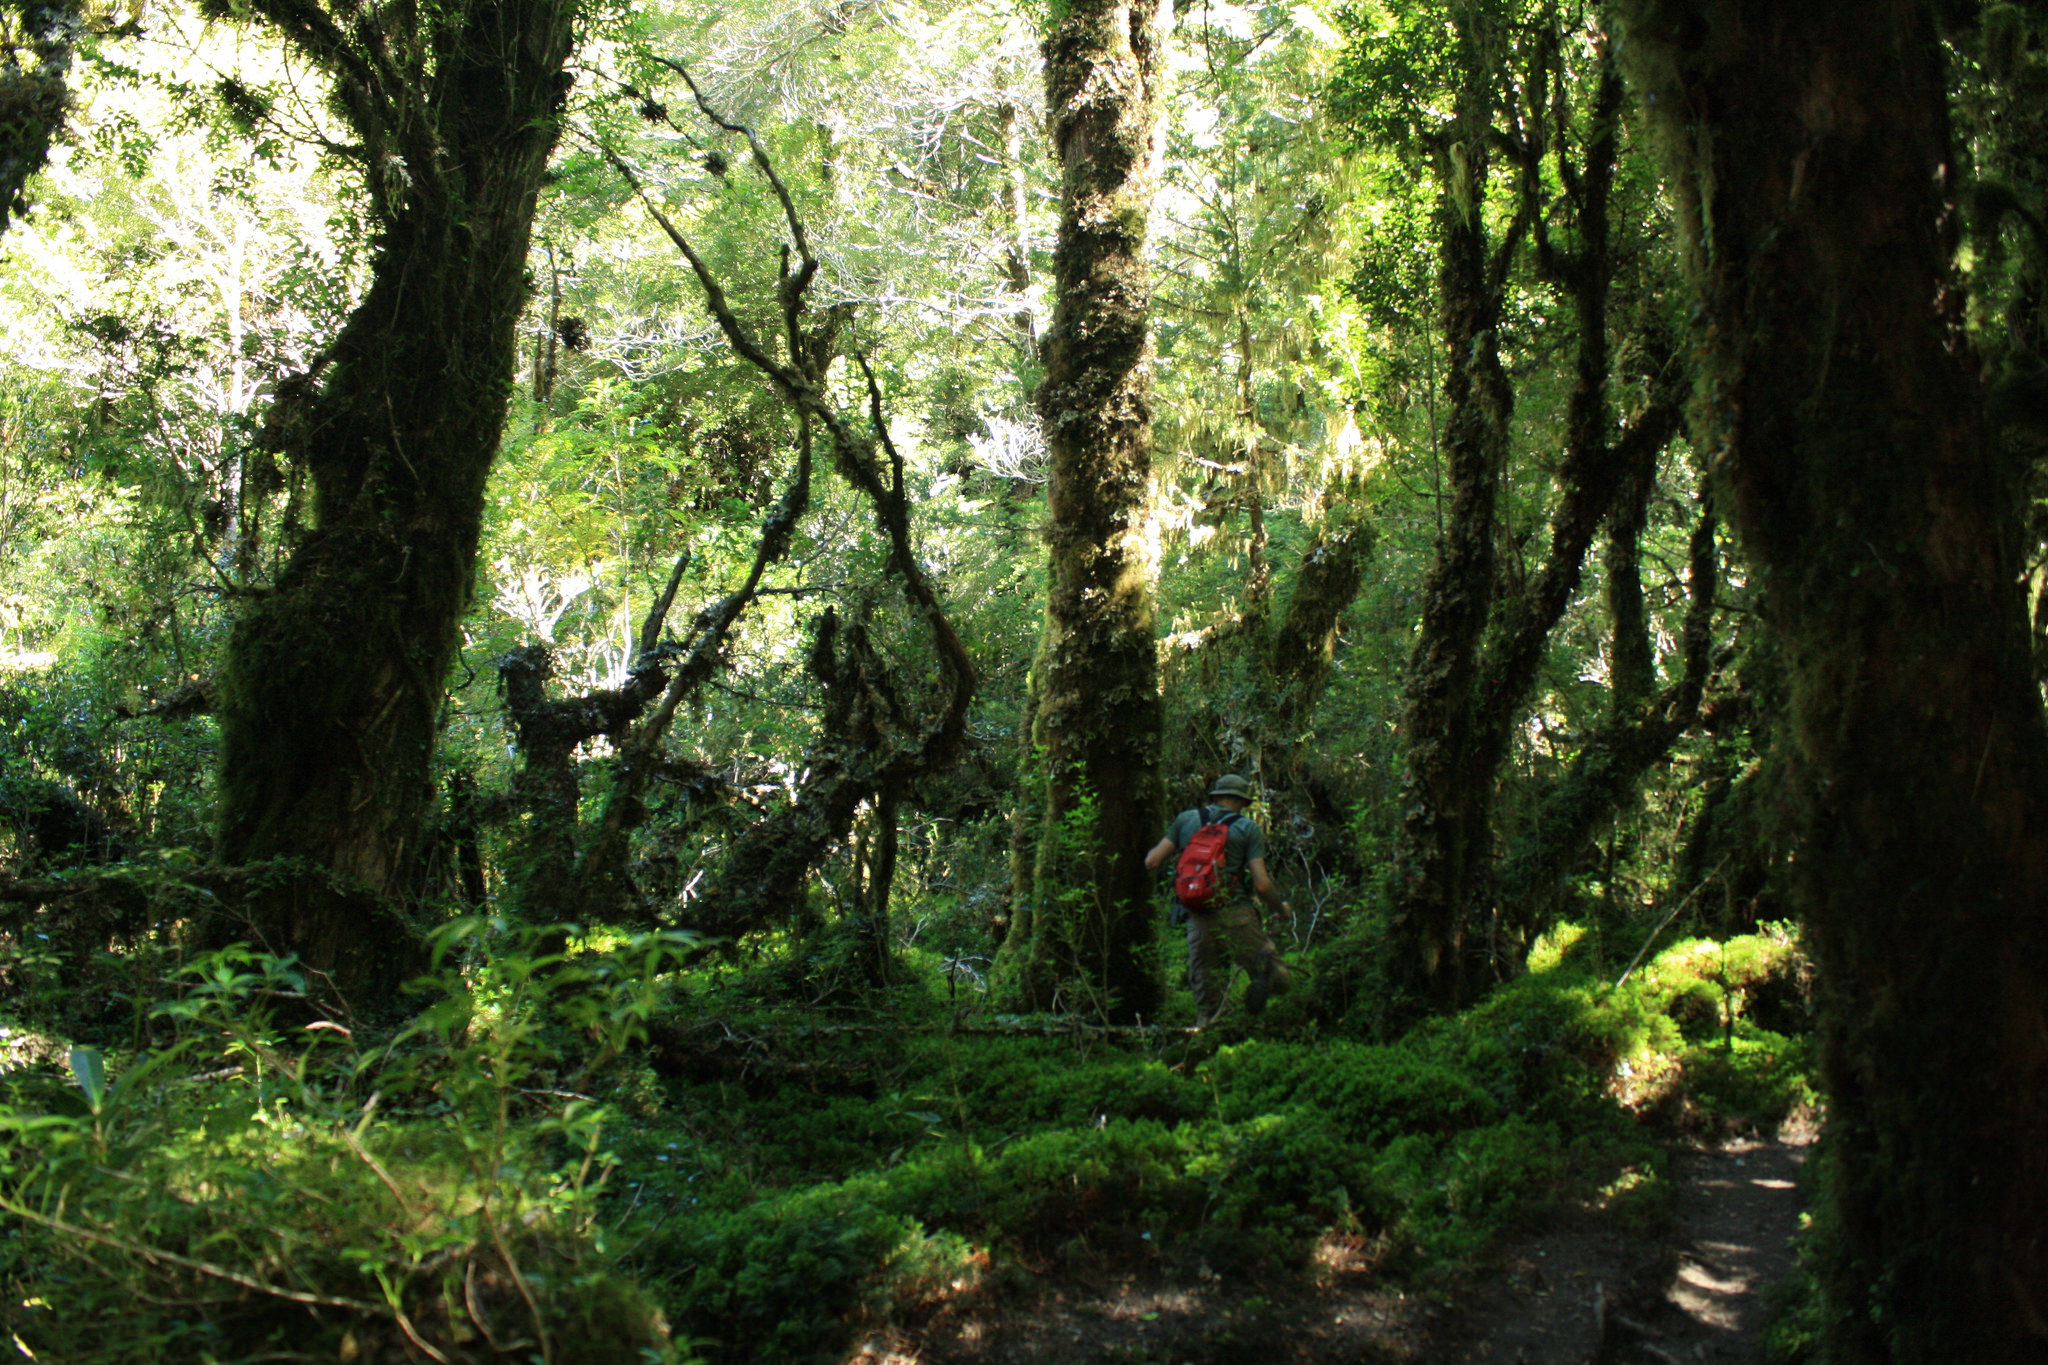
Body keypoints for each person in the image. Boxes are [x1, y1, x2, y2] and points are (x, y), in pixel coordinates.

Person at [1144, 774, 1293, 1027]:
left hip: (1198, 916)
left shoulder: (1186, 819)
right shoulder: (1247, 828)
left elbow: (1152, 861)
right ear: (1243, 801)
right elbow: (1262, 884)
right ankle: (1265, 990)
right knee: (1279, 977)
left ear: (1215, 796)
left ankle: (1207, 1031)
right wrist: (1281, 908)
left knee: (1208, 1000)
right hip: (1237, 914)